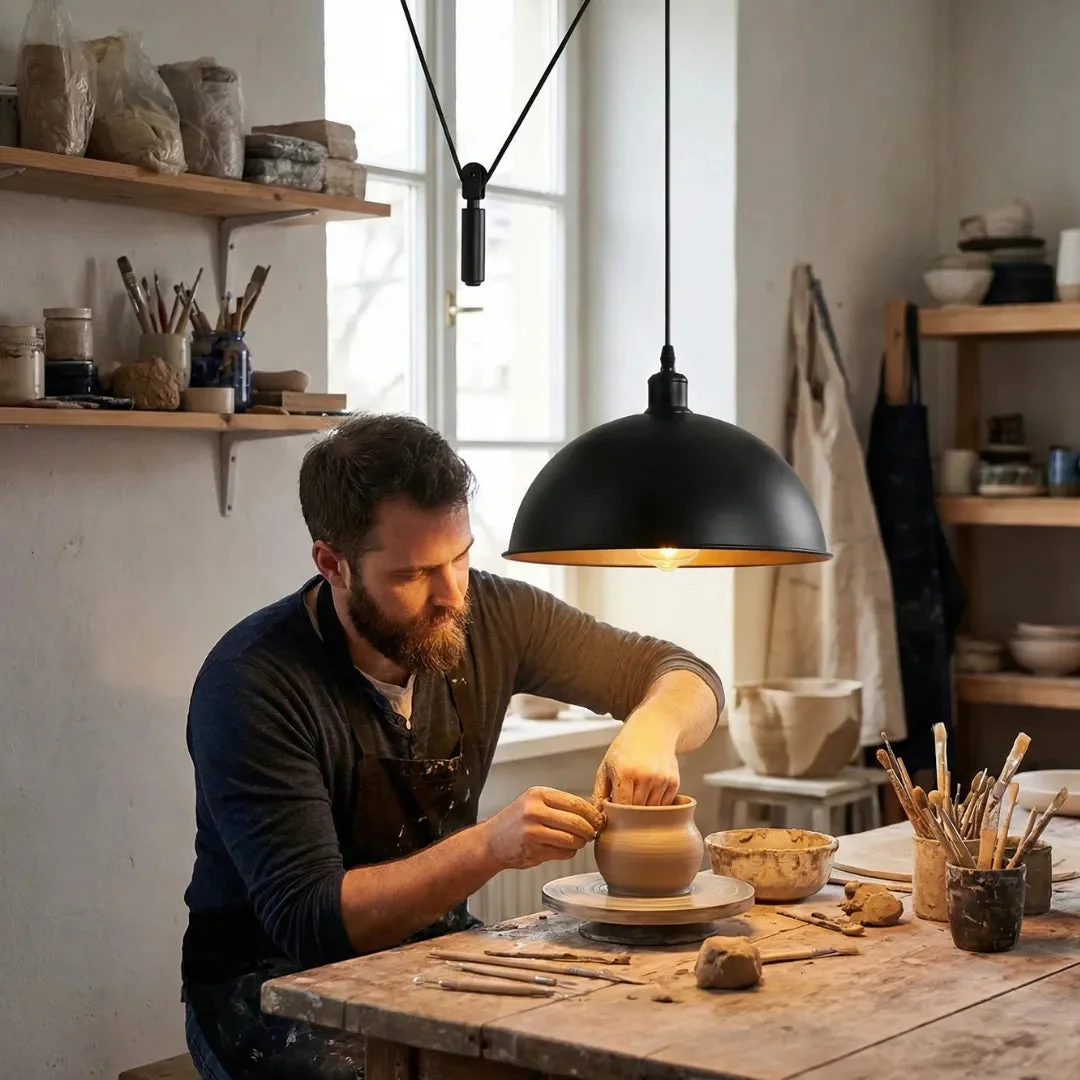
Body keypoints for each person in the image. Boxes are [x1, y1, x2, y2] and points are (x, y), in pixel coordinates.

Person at [181, 413, 723, 1080]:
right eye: (414, 574)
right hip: (267, 990)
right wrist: (490, 847)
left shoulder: (490, 614)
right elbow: (311, 922)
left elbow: (685, 674)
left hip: (435, 955)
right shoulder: (254, 684)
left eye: (461, 557)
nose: (451, 595)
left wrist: (653, 730)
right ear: (333, 565)